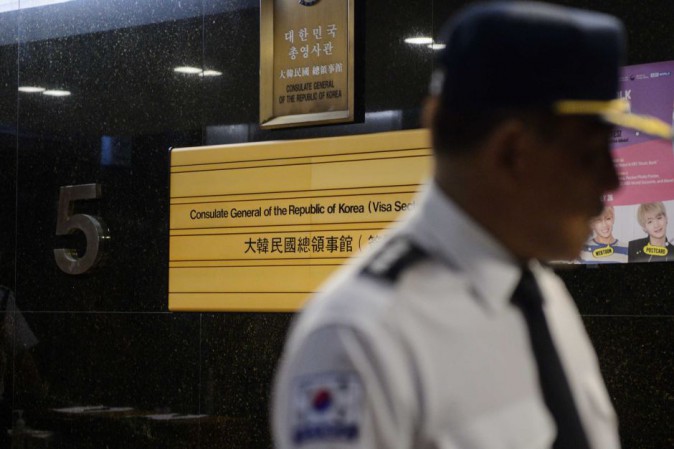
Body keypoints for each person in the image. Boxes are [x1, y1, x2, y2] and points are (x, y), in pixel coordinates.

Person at [271, 2, 672, 449]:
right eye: (590, 156)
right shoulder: (360, 339)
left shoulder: (542, 298)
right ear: (512, 152)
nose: (611, 181)